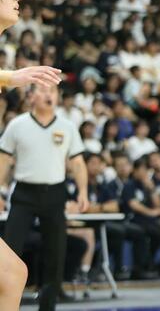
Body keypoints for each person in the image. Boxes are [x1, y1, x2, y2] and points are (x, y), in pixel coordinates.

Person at [0, 0, 64, 311]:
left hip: (53, 193)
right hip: (26, 192)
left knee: (11, 275)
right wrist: (11, 77)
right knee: (11, 274)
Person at [0, 84, 87, 311]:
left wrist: (83, 192)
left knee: (55, 254)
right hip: (24, 193)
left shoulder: (67, 126)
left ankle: (48, 307)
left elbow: (77, 163)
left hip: (55, 193)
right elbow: (4, 161)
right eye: (43, 90)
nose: (49, 94)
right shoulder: (17, 125)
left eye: (53, 91)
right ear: (30, 97)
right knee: (9, 250)